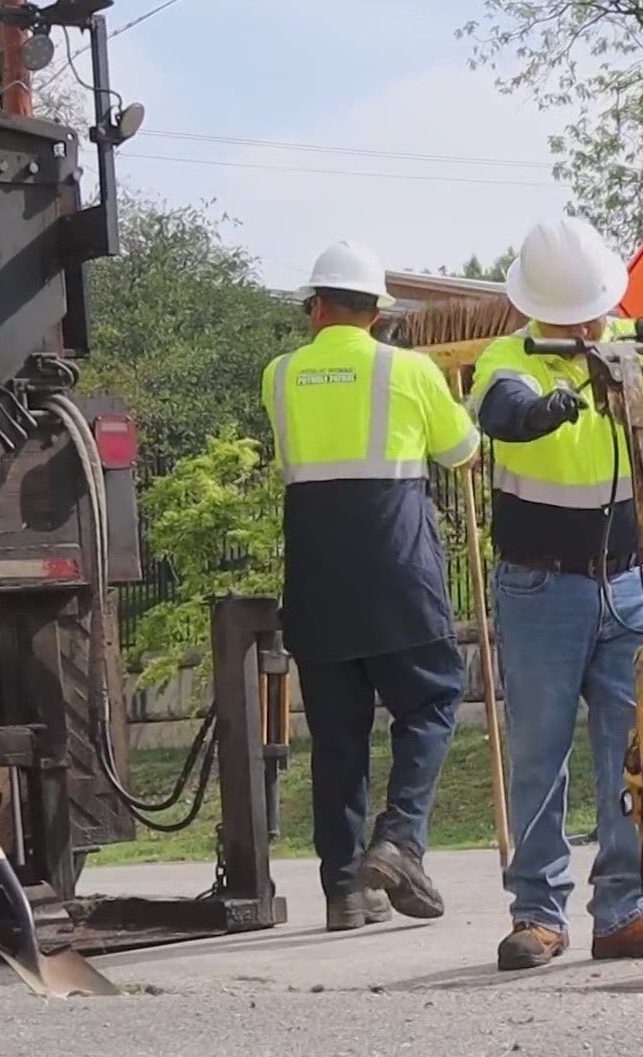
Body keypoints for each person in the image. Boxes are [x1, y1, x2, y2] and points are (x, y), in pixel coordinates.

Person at [467, 217, 643, 970]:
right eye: (568, 312)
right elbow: (501, 411)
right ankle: (538, 913)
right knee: (538, 752)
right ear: (535, 307)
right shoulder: (509, 356)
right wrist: (544, 409)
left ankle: (623, 907)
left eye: (590, 308)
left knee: (635, 751)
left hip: (629, 577)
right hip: (540, 582)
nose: (583, 323)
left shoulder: (630, 345)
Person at [261, 240, 482, 932]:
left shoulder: (279, 375)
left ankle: (345, 893)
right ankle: (399, 841)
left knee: (337, 741)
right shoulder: (408, 371)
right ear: (378, 311)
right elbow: (462, 451)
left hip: (319, 581)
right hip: (399, 576)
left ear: (317, 307)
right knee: (433, 701)